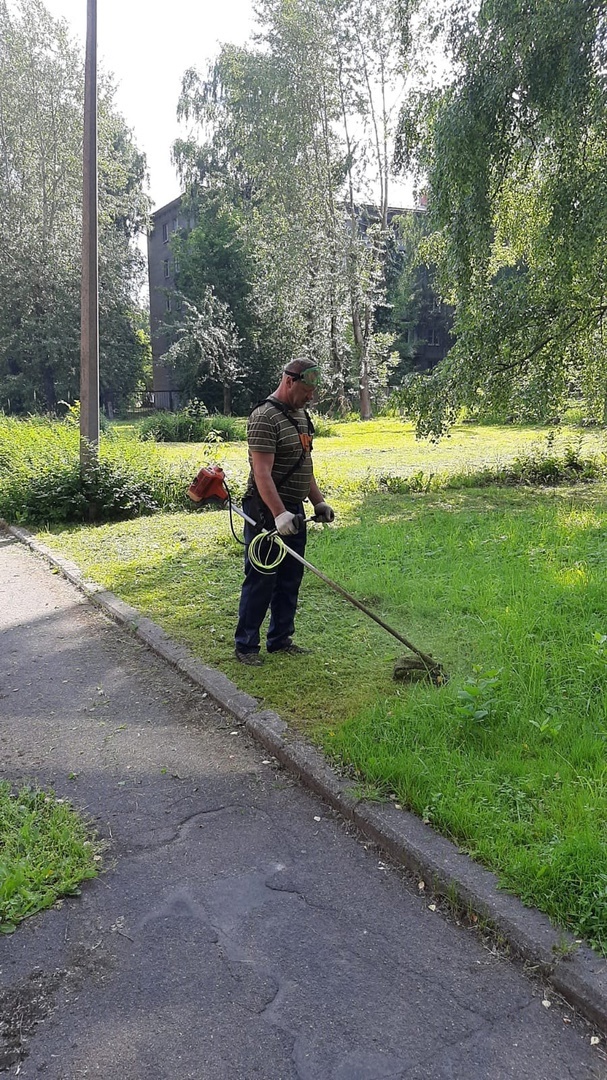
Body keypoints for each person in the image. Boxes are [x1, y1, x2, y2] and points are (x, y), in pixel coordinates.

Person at [234, 358, 335, 665]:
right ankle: (246, 646)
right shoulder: (264, 417)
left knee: (291, 577)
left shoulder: (302, 416)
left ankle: (280, 639)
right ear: (289, 381)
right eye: (307, 390)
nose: (311, 397)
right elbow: (262, 473)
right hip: (266, 510)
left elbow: (303, 466)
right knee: (262, 577)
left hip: (294, 509)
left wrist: (317, 501)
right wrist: (278, 515)